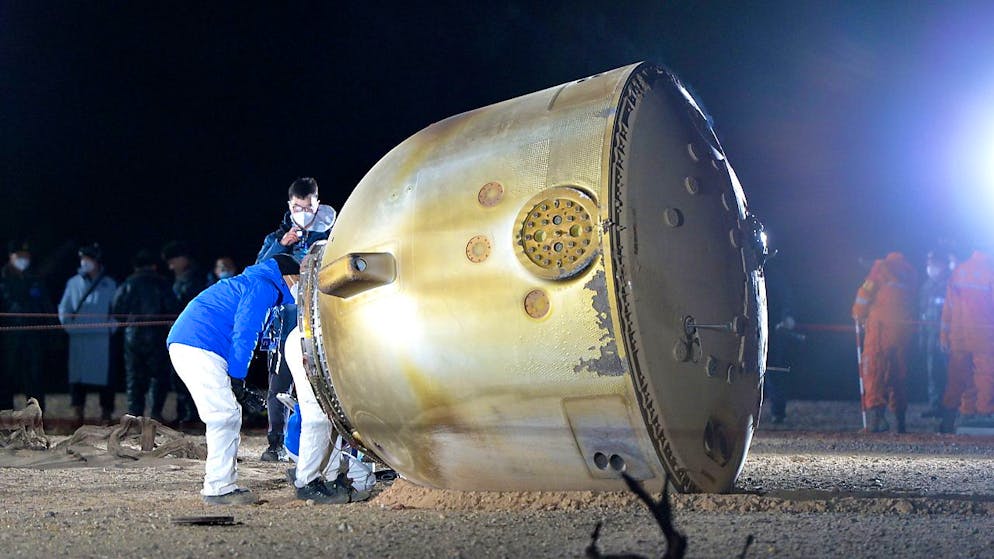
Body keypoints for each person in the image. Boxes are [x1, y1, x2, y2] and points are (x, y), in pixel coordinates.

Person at [166, 254, 299, 505]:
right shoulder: (264, 287)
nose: (300, 285)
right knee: (224, 415)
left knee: (227, 413)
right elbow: (246, 332)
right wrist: (237, 379)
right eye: (299, 278)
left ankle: (221, 484)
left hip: (195, 343)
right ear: (288, 276)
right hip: (200, 345)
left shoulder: (256, 283)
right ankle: (219, 488)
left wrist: (240, 383)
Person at [255, 177, 336, 461]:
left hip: (321, 319)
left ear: (318, 204)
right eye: (297, 208)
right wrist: (281, 245)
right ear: (290, 206)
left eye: (308, 207)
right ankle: (276, 442)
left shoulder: (332, 234)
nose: (303, 213)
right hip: (286, 320)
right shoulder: (276, 237)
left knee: (321, 379)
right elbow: (259, 270)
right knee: (280, 381)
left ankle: (325, 443)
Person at [282, 324, 373, 503]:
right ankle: (306, 482)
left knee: (331, 416)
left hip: (319, 341)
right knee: (319, 416)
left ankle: (330, 480)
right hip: (313, 342)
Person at [852, 252, 916, 433]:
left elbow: (864, 294)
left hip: (879, 331)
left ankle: (876, 419)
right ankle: (900, 421)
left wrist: (858, 314)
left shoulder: (880, 269)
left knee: (874, 373)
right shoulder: (910, 274)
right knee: (898, 376)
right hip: (902, 333)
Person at [111, 249, 177, 422]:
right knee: (158, 375)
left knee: (134, 375)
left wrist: (128, 321)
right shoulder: (162, 283)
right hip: (157, 333)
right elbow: (173, 307)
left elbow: (117, 309)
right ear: (154, 266)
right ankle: (155, 413)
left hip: (133, 334)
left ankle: (135, 414)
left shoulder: (128, 284)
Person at [58, 244, 118, 427]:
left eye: (88, 259)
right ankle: (78, 414)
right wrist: (69, 327)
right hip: (79, 338)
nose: (84, 262)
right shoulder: (73, 283)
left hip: (101, 339)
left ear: (97, 261)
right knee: (78, 378)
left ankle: (106, 414)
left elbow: (117, 309)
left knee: (105, 377)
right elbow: (64, 308)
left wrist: (111, 327)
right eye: (82, 259)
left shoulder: (109, 284)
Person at [938, 248, 994, 433]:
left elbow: (948, 307)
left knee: (957, 377)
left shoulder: (959, 271)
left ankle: (952, 418)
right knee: (985, 375)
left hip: (958, 335)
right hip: (984, 335)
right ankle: (985, 414)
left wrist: (944, 335)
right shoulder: (990, 271)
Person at [0, 241, 54, 411]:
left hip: (33, 338)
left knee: (34, 381)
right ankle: (4, 420)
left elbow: (46, 306)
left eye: (26, 256)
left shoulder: (35, 279)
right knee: (5, 381)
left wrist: (51, 332)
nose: (23, 259)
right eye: (19, 256)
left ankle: (36, 419)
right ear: (11, 257)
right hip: (7, 340)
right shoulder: (2, 280)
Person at [162, 241, 205, 428]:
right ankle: (184, 414)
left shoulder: (194, 280)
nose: (171, 267)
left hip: (192, 334)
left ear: (183, 259)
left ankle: (191, 416)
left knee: (190, 376)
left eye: (173, 261)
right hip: (182, 333)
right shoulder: (180, 280)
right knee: (178, 377)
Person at [918, 251, 950, 418]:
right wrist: (921, 337)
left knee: (950, 373)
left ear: (943, 264)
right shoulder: (927, 286)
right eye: (929, 263)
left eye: (934, 263)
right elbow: (921, 312)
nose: (930, 266)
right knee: (933, 373)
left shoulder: (950, 284)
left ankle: (951, 406)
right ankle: (935, 405)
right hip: (931, 336)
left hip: (948, 337)